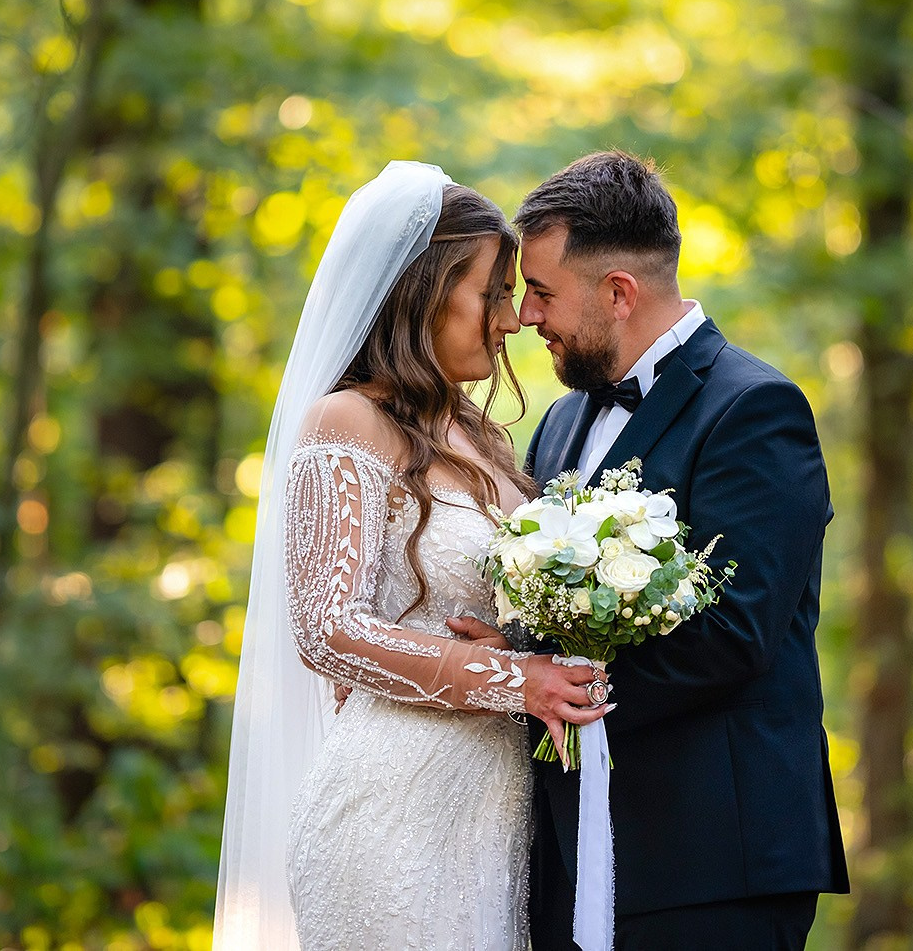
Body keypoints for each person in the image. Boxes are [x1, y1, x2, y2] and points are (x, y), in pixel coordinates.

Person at [213, 161, 610, 951]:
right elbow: (327, 630)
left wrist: (534, 654)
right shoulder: (344, 421)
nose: (511, 319)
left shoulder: (483, 438)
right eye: (492, 292)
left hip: (492, 821)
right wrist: (512, 681)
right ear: (423, 292)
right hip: (391, 814)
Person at [498, 150, 849, 951]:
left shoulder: (755, 409)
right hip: (573, 854)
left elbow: (734, 633)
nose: (525, 316)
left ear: (618, 292)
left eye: (543, 291)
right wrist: (512, 652)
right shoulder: (557, 424)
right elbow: (557, 608)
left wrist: (555, 689)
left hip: (713, 858)